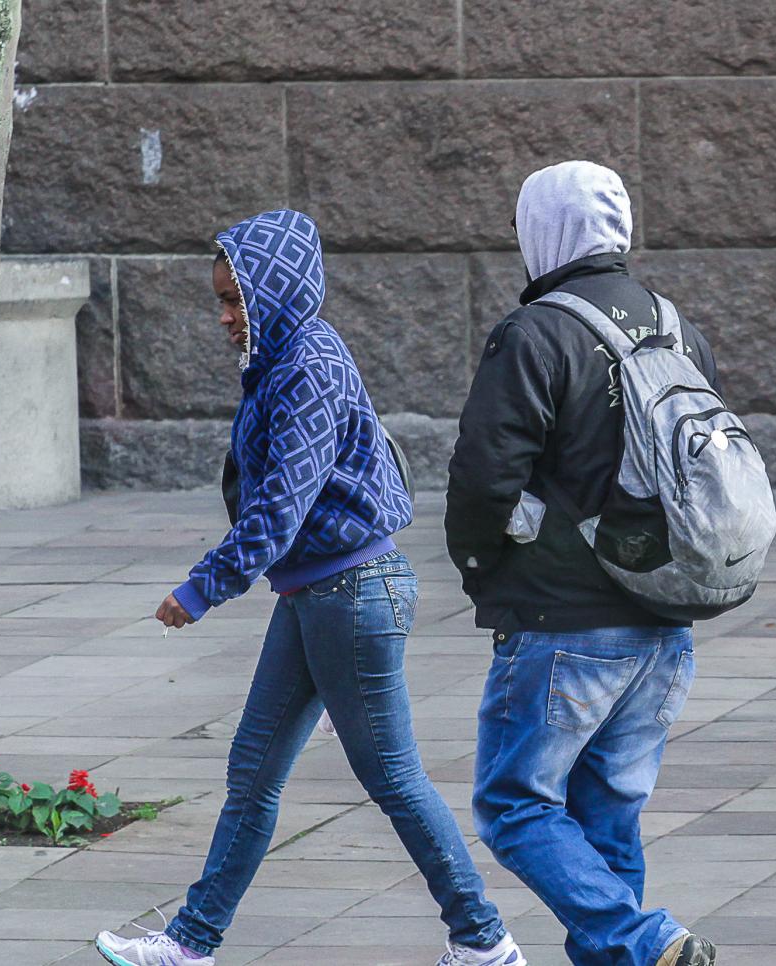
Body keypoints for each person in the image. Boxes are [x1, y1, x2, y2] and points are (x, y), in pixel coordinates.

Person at [94, 210, 520, 966]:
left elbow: (278, 511)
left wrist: (201, 589)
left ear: (276, 292)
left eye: (235, 301)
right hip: (321, 599)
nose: (225, 317)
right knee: (251, 775)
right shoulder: (284, 357)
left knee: (392, 778)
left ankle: (484, 940)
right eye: (220, 302)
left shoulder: (306, 367)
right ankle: (192, 944)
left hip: (350, 597)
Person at [444, 160, 717, 966]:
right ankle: (637, 952)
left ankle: (646, 940)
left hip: (563, 623)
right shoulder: (677, 325)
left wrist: (479, 570)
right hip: (666, 621)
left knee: (514, 806)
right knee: (607, 820)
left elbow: (483, 474)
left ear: (542, 230)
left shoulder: (535, 333)